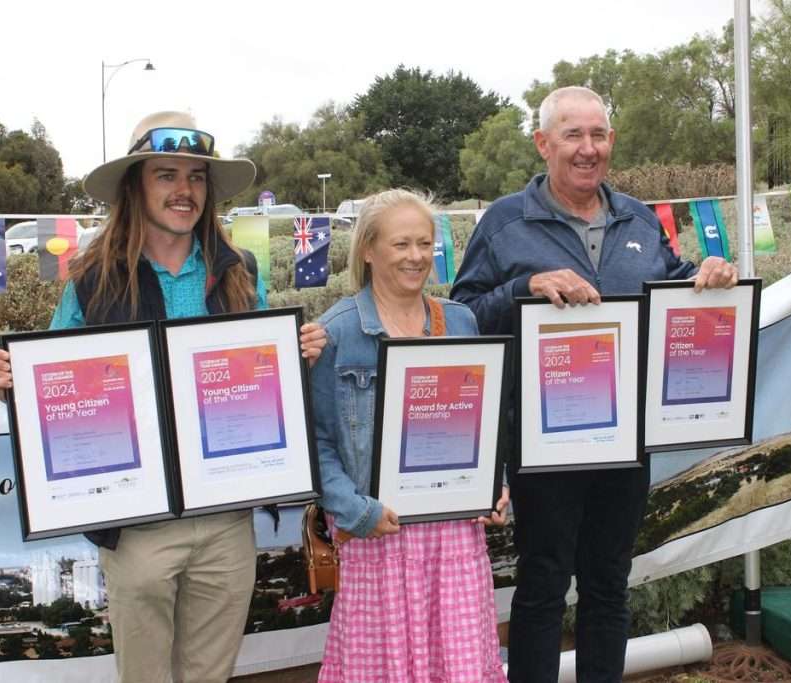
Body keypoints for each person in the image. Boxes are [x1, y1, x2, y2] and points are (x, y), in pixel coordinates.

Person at [0, 111, 326, 683]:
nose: (183, 190)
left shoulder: (240, 271)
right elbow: (55, 390)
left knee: (209, 674)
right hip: (137, 523)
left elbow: (261, 377)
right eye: (166, 175)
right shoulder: (91, 279)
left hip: (225, 516)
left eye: (195, 177)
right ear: (135, 186)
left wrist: (296, 354)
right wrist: (9, 383)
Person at [450, 86, 738, 683]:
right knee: (543, 583)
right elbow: (463, 315)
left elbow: (675, 283)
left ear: (611, 141)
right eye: (573, 135)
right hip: (542, 438)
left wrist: (710, 274)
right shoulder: (504, 221)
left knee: (609, 582)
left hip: (623, 438)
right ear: (543, 143)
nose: (588, 149)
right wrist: (524, 287)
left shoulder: (637, 217)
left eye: (599, 135)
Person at [309, 189, 509, 683]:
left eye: (424, 243)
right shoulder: (336, 333)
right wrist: (356, 512)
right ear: (369, 250)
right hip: (379, 533)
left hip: (454, 538)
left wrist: (494, 488)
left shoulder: (460, 322)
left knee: (459, 667)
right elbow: (317, 444)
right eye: (401, 244)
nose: (415, 256)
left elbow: (484, 421)